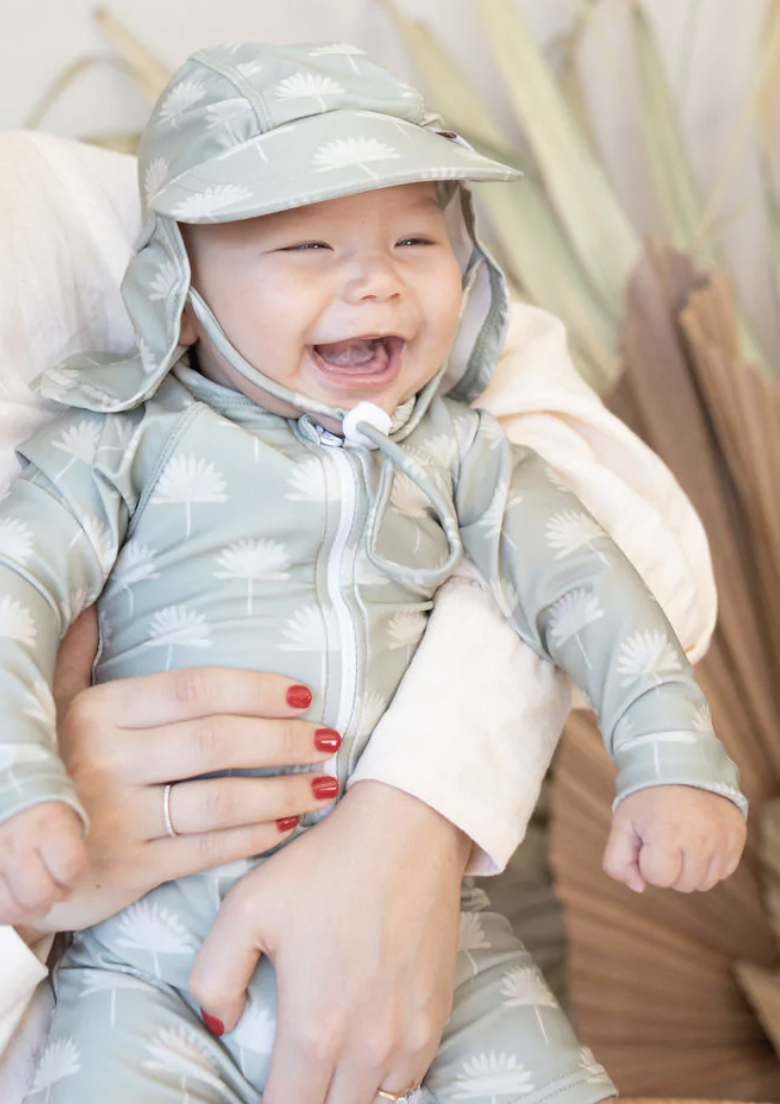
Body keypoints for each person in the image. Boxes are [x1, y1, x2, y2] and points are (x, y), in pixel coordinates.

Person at [0, 44, 746, 1104]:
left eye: (416, 238)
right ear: (177, 296)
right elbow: (13, 600)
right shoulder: (117, 448)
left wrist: (671, 757)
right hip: (144, 967)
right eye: (307, 244)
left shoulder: (458, 456)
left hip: (439, 951)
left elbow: (596, 581)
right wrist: (24, 786)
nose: (376, 276)